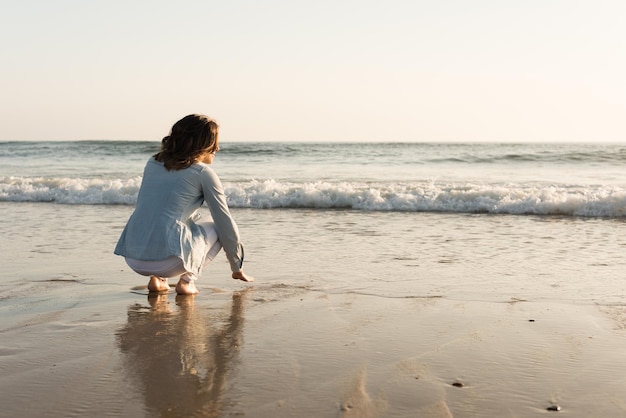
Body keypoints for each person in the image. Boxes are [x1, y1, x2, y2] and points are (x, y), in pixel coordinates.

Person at [114, 114, 254, 295]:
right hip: (169, 261)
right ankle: (188, 281)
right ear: (200, 144)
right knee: (216, 224)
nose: (217, 148)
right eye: (213, 142)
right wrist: (237, 267)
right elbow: (224, 223)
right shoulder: (203, 172)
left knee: (180, 218)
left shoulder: (153, 163)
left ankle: (157, 280)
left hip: (132, 257)